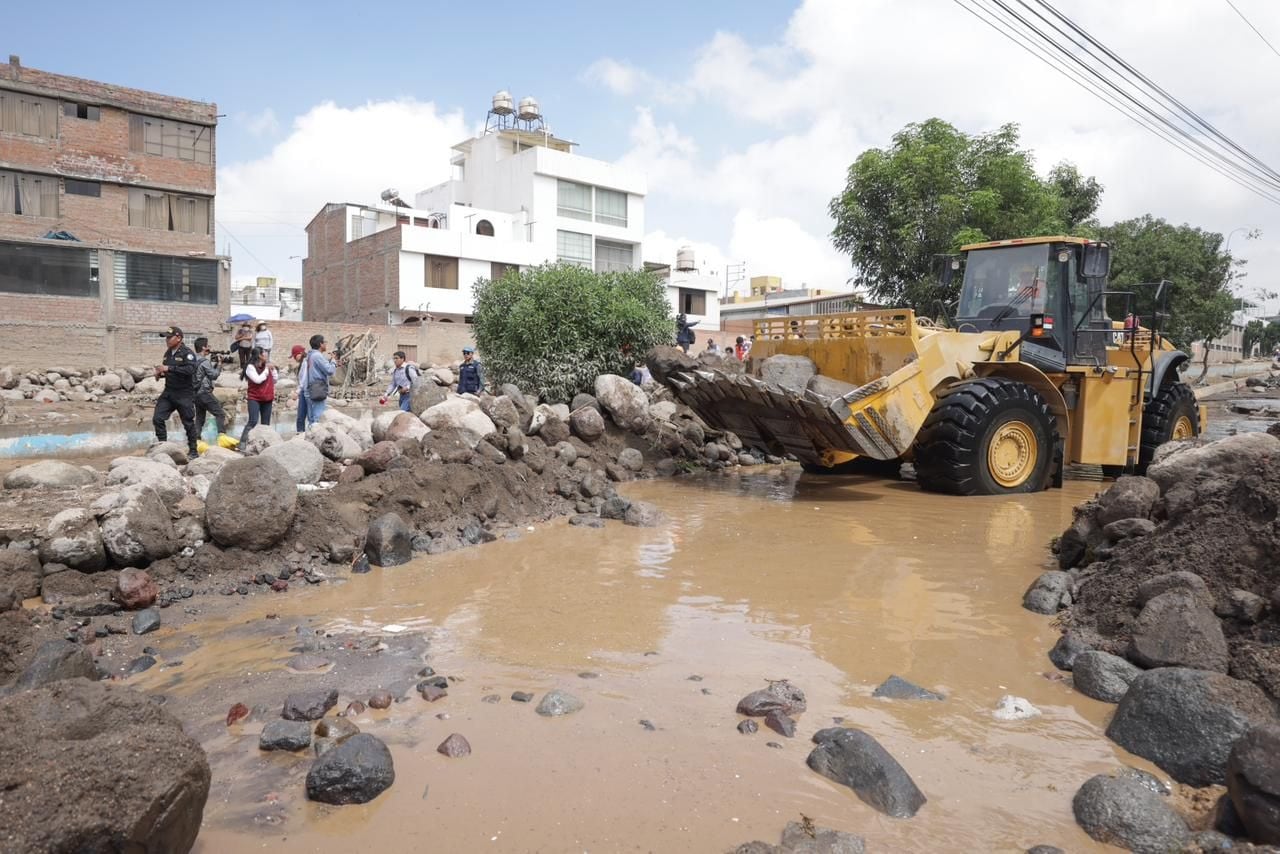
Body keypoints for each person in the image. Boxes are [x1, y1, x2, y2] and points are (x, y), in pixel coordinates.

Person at [151, 326, 200, 457]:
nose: (167, 340)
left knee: (188, 423)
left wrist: (168, 368)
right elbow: (169, 371)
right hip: (169, 392)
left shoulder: (187, 353)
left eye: (169, 337)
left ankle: (194, 451)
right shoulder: (167, 353)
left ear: (178, 338)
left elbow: (190, 370)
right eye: (166, 337)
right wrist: (160, 374)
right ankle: (163, 447)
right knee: (157, 418)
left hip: (184, 394)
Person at [239, 347, 278, 446]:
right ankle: (243, 443)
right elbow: (258, 380)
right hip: (254, 398)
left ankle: (263, 445)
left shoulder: (267, 366)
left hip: (267, 398)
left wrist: (273, 370)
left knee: (266, 424)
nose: (267, 354)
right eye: (264, 353)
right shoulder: (250, 367)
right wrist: (266, 369)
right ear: (260, 355)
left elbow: (274, 380)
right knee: (253, 421)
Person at [192, 337, 228, 440]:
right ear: (204, 347)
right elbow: (214, 375)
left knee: (199, 419)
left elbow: (206, 373)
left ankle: (195, 440)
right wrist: (220, 364)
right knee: (220, 414)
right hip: (204, 393)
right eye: (208, 346)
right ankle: (222, 438)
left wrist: (214, 363)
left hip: (195, 394)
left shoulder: (193, 360)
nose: (209, 347)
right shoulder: (204, 362)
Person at [304, 334, 337, 426]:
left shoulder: (311, 355)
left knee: (312, 419)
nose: (326, 344)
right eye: (325, 342)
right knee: (317, 418)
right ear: (320, 344)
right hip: (317, 390)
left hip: (311, 389)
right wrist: (333, 361)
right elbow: (329, 371)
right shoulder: (317, 356)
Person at [291, 344, 309, 432]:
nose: (294, 358)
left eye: (295, 356)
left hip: (306, 391)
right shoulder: (302, 363)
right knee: (300, 417)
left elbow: (305, 379)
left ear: (300, 353)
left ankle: (302, 434)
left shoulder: (305, 362)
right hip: (303, 391)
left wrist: (297, 392)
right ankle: (300, 434)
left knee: (303, 416)